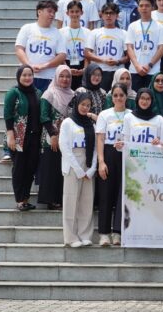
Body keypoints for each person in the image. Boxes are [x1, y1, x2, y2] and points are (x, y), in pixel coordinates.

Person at [59, 92, 98, 247]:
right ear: (77, 104)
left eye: (88, 105)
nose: (85, 107)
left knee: (87, 202)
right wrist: (77, 168)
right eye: (83, 104)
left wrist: (92, 167)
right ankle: (71, 237)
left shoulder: (92, 125)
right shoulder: (68, 122)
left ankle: (85, 234)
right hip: (72, 164)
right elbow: (65, 147)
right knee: (71, 200)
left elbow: (95, 147)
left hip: (88, 164)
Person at [94, 83, 130, 246]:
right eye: (115, 95)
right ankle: (104, 233)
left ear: (126, 96)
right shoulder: (104, 114)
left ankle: (118, 232)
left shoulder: (131, 115)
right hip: (109, 154)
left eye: (121, 95)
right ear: (111, 97)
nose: (118, 98)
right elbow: (100, 138)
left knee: (122, 194)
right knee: (106, 194)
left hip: (127, 155)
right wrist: (101, 162)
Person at [4, 65, 43, 211]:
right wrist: (10, 135)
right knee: (19, 169)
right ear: (19, 77)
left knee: (30, 168)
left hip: (35, 138)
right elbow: (8, 114)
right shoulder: (13, 93)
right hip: (19, 137)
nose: (27, 78)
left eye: (30, 75)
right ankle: (20, 200)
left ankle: (25, 199)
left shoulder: (38, 93)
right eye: (24, 75)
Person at [37, 66, 74, 211]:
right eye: (62, 76)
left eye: (68, 77)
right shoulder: (49, 93)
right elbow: (44, 116)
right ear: (56, 77)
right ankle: (50, 200)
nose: (65, 79)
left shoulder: (73, 94)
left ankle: (60, 199)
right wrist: (53, 135)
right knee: (51, 167)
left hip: (67, 138)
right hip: (50, 137)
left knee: (62, 169)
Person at [15, 0, 66, 91]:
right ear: (39, 12)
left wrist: (45, 66)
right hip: (27, 77)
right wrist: (29, 65)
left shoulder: (58, 33)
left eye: (54, 12)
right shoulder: (27, 28)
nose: (52, 15)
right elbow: (19, 49)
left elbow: (62, 55)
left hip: (48, 77)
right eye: (49, 11)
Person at [125, 0, 163, 91]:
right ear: (138, 8)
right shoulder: (132, 26)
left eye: (147, 6)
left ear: (152, 7)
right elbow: (129, 47)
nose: (144, 8)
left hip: (153, 70)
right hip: (135, 70)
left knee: (152, 99)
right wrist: (137, 66)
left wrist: (149, 65)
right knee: (135, 98)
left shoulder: (159, 27)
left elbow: (162, 48)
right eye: (141, 6)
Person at [85, 3, 128, 91]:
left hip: (117, 71)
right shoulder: (95, 32)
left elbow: (129, 56)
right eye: (106, 13)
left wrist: (118, 61)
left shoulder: (124, 33)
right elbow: (87, 53)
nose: (109, 16)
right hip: (99, 71)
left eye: (112, 13)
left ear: (117, 16)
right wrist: (103, 60)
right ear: (102, 15)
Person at [59, 1, 90, 89]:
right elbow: (59, 52)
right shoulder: (61, 32)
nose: (74, 14)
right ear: (67, 13)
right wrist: (66, 68)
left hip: (82, 65)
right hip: (66, 63)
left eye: (77, 11)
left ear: (81, 12)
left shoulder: (88, 32)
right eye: (72, 11)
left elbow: (88, 53)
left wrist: (85, 68)